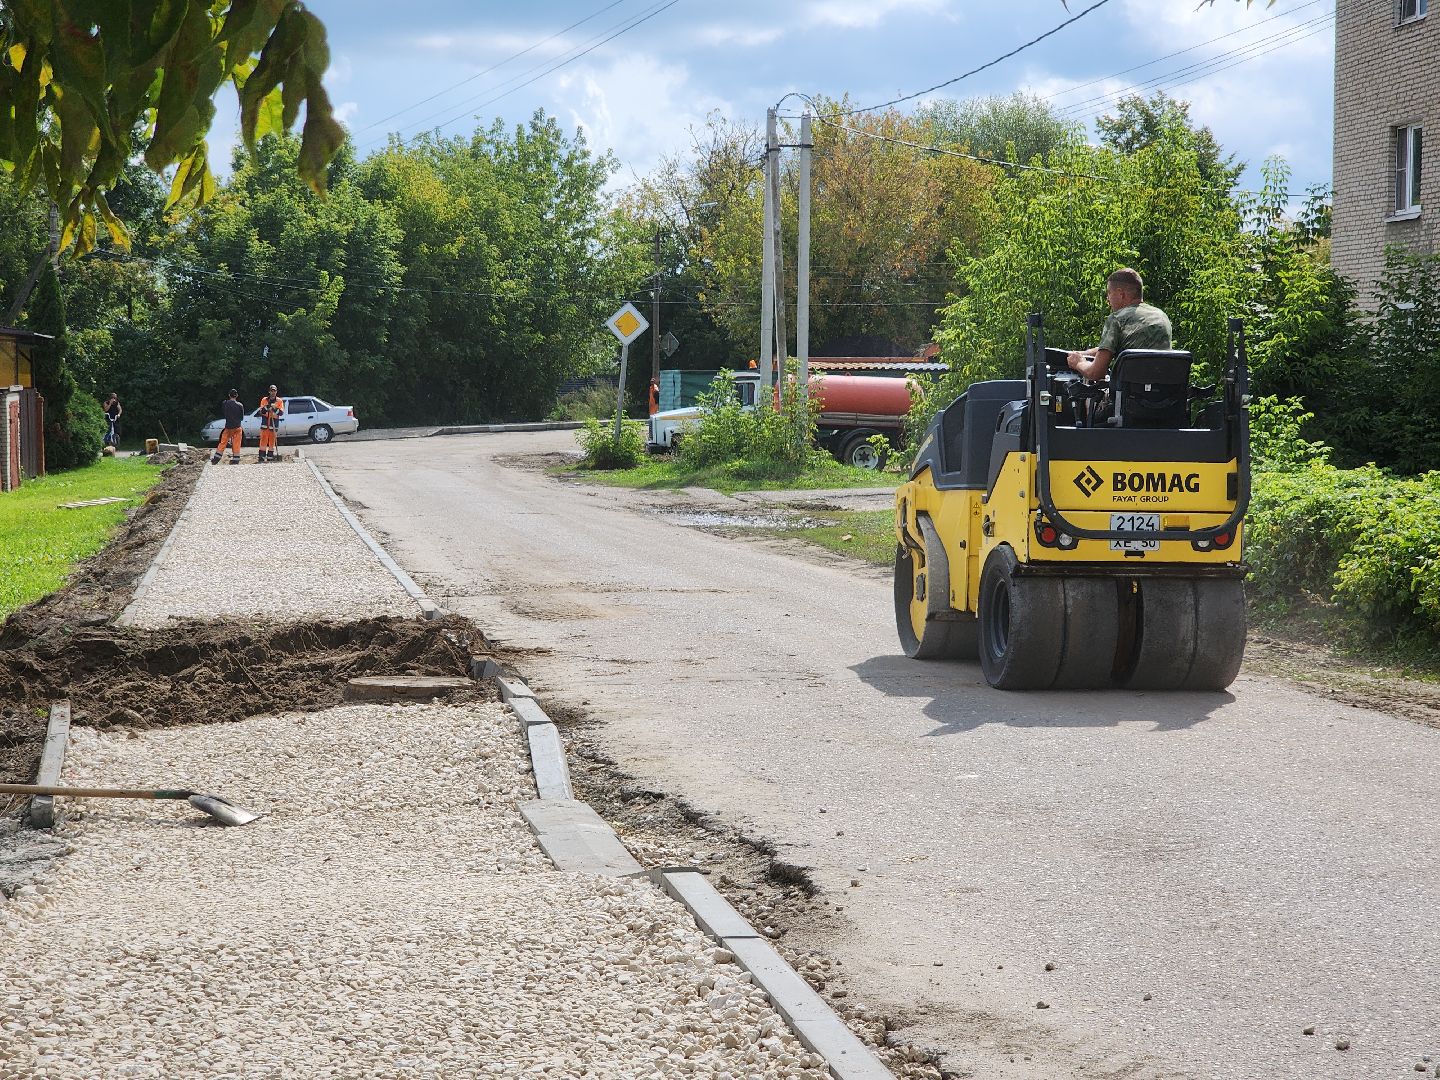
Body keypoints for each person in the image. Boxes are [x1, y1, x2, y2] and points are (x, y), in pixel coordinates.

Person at [1066, 268, 1172, 382]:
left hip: (1130, 390)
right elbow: (1122, 346)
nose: (1107, 299)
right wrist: (1083, 354)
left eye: (1109, 293)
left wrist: (1079, 363)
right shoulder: (1161, 316)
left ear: (1121, 294)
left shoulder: (1117, 318)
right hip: (1165, 390)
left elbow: (1096, 373)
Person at [211, 389, 244, 465]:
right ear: (237, 396)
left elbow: (224, 412)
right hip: (237, 427)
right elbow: (241, 418)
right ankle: (236, 460)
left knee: (223, 443)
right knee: (236, 443)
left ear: (229, 395)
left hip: (228, 427)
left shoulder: (225, 403)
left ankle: (216, 459)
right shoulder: (240, 405)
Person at [257, 384, 284, 462]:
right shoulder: (264, 400)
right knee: (263, 441)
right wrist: (268, 407)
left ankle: (270, 457)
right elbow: (261, 411)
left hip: (273, 425)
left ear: (276, 392)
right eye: (271, 391)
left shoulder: (279, 401)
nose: (273, 392)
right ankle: (261, 457)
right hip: (265, 424)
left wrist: (275, 408)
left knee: (272, 442)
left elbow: (281, 413)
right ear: (269, 391)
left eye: (274, 391)